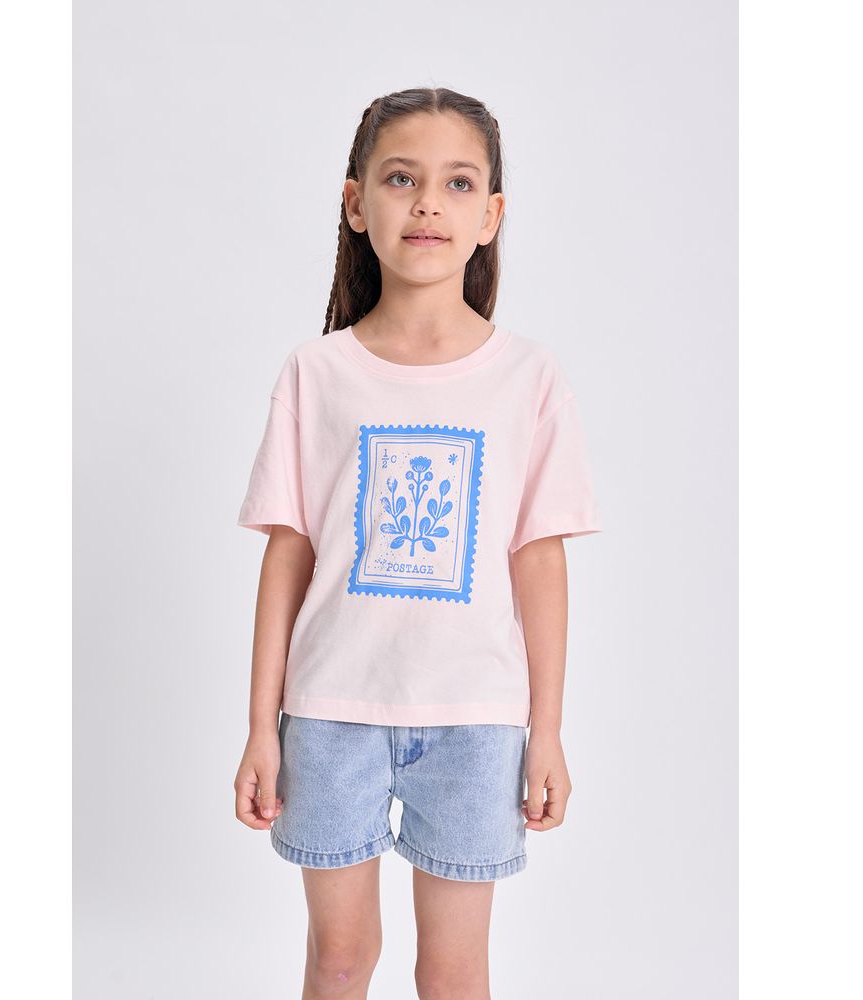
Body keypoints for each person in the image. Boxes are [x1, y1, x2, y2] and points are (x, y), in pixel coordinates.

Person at [232, 86, 603, 1000]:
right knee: (339, 959)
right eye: (401, 178)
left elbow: (538, 559)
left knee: (453, 971)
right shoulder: (316, 373)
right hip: (331, 715)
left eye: (458, 183)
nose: (429, 202)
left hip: (476, 722)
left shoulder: (528, 377)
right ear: (357, 203)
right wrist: (260, 726)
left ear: (491, 216)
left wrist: (547, 731)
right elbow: (288, 555)